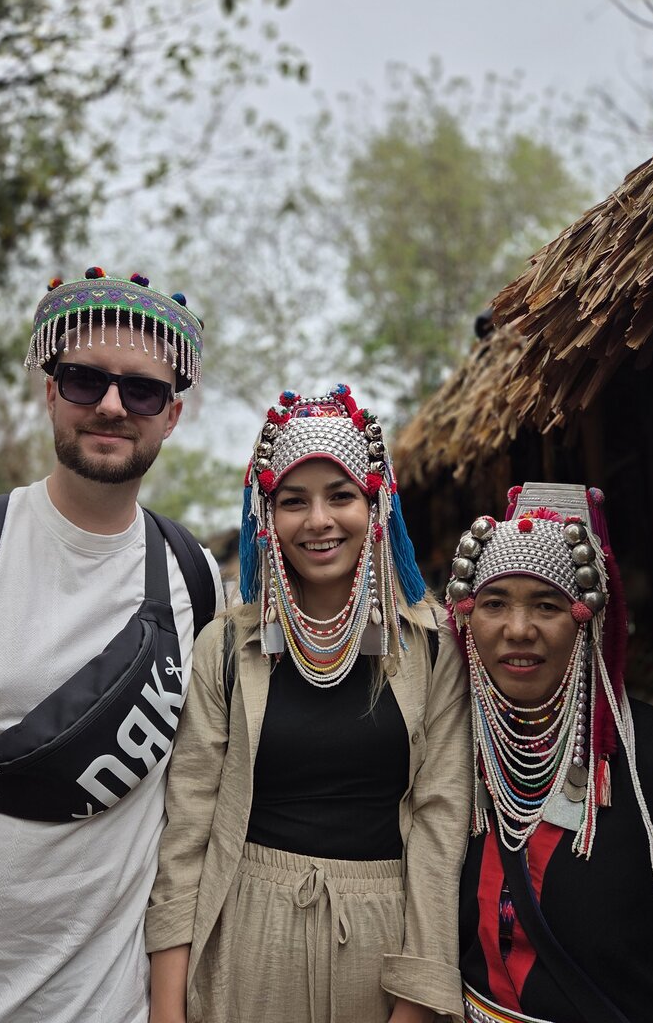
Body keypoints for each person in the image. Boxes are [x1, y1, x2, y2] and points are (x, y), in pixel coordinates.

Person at [0, 268, 224, 1023]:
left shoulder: (195, 580)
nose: (113, 407)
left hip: (111, 1004)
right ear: (50, 391)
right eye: (86, 380)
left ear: (173, 415)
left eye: (144, 391)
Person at [146, 385, 472, 1023]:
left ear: (376, 505)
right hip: (245, 938)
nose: (318, 521)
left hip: (383, 945)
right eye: (293, 501)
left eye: (341, 496)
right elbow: (187, 835)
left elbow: (441, 828)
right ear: (266, 518)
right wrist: (167, 1009)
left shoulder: (433, 646)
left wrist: (419, 999)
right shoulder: (226, 647)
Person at [444, 482, 653, 1023]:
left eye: (547, 605)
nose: (518, 630)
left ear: (588, 621)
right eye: (494, 604)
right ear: (466, 618)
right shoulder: (450, 750)